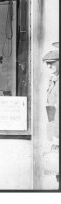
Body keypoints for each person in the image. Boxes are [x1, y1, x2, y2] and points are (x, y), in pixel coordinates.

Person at [42, 45, 59, 183]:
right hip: (54, 128)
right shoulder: (53, 80)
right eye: (47, 64)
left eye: (52, 63)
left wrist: (56, 137)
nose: (49, 66)